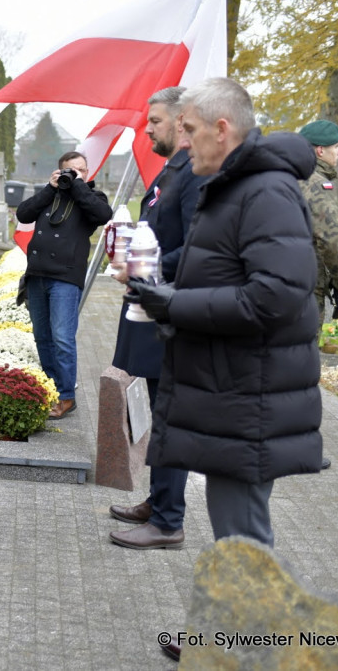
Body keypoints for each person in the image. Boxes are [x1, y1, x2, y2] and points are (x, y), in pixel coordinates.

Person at [124, 77, 323, 661]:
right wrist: (155, 275)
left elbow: (275, 297)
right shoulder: (233, 187)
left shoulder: (263, 192)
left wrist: (172, 304)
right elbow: (216, 264)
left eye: (186, 129)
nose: (180, 142)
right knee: (234, 530)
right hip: (233, 388)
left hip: (250, 392)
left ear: (221, 129)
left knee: (243, 535)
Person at [105, 86, 206, 550]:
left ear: (183, 124)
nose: (147, 129)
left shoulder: (194, 175)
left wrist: (150, 266)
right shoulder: (172, 169)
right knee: (152, 406)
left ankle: (168, 521)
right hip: (148, 306)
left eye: (156, 122)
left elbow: (199, 247)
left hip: (168, 314)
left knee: (167, 413)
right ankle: (159, 497)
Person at [16, 151, 113, 418]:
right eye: (71, 170)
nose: (76, 174)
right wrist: (50, 187)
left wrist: (79, 185)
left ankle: (67, 396)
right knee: (43, 337)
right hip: (37, 275)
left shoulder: (93, 198)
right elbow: (23, 215)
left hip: (66, 278)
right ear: (59, 171)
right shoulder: (51, 194)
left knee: (62, 337)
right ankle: (51, 389)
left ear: (87, 171)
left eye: (81, 170)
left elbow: (103, 215)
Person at [297, 120, 338, 473]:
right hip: (307, 289)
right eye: (335, 147)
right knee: (303, 370)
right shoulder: (319, 183)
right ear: (319, 150)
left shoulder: (289, 178)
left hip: (280, 285)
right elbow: (332, 241)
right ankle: (302, 449)